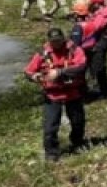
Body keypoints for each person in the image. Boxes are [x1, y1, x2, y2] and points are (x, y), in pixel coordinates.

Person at [23, 27, 88, 161]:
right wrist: (35, 76)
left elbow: (81, 66)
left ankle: (77, 143)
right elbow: (28, 71)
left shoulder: (74, 49)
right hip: (52, 95)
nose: (56, 43)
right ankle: (51, 152)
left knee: (78, 122)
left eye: (59, 40)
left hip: (73, 92)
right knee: (50, 127)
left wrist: (60, 72)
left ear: (63, 39)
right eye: (53, 41)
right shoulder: (42, 53)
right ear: (49, 41)